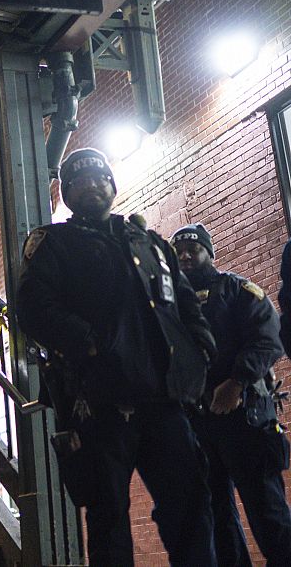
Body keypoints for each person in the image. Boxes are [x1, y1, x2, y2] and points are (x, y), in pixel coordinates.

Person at [15, 148, 217, 566]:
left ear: (112, 186)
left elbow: (185, 302)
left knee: (192, 511)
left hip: (166, 403)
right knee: (109, 521)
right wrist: (88, 342)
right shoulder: (55, 243)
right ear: (67, 194)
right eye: (79, 181)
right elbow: (33, 308)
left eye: (98, 179)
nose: (91, 186)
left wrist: (200, 348)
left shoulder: (149, 242)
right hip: (100, 405)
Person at [172, 223, 291, 567]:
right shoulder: (172, 309)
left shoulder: (237, 290)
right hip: (198, 424)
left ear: (209, 252)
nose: (185, 257)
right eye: (178, 252)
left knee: (267, 513)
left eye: (193, 249)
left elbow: (269, 338)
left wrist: (237, 382)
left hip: (245, 417)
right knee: (218, 521)